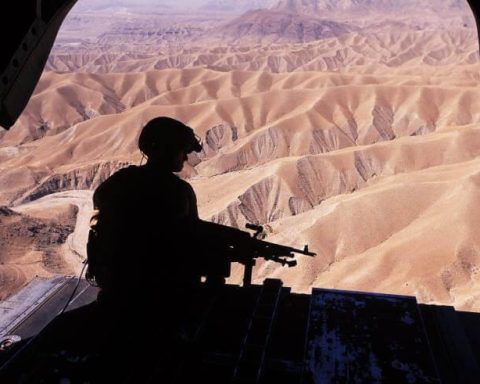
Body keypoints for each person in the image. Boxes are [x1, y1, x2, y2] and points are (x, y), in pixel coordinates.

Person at [87, 116, 204, 324]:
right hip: (158, 300)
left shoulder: (122, 180)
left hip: (116, 293)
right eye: (181, 151)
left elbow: (100, 199)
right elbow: (193, 237)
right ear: (166, 150)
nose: (185, 158)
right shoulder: (179, 192)